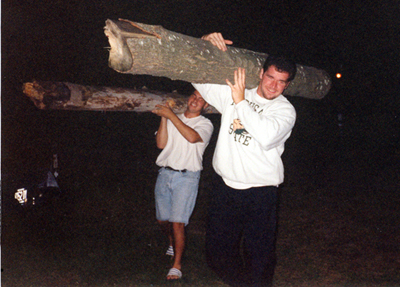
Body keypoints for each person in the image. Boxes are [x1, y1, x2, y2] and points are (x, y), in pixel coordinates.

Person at [192, 33, 297, 286]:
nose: (273, 86)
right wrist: (202, 43)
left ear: (287, 85)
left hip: (260, 192)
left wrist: (240, 103)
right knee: (216, 255)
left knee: (259, 257)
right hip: (225, 188)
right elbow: (195, 76)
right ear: (261, 73)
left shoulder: (284, 110)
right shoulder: (237, 92)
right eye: (270, 77)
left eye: (281, 82)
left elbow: (266, 136)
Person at [152, 89, 214, 280]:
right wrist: (164, 118)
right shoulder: (173, 117)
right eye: (194, 96)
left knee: (177, 222)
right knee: (163, 220)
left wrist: (170, 115)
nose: (196, 100)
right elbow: (161, 145)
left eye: (201, 99)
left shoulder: (205, 124)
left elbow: (192, 137)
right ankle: (172, 242)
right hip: (165, 173)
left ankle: (177, 265)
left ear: (205, 106)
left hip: (187, 178)